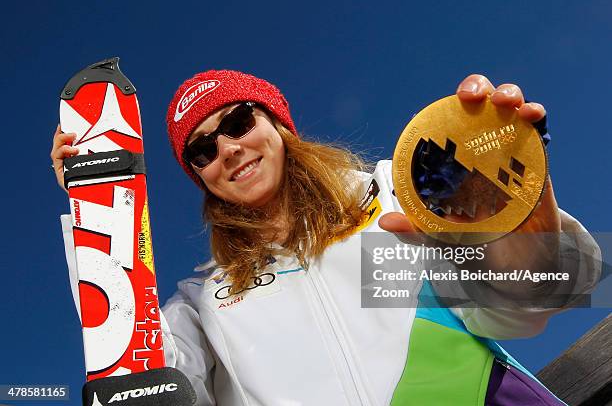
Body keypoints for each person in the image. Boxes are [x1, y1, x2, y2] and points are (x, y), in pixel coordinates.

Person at [51, 71, 601, 405]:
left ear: (280, 127)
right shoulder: (205, 305)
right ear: (203, 177)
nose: (227, 149)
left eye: (239, 122)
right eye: (202, 150)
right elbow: (158, 386)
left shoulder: (395, 195)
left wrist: (522, 240)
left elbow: (534, 300)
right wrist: (96, 218)